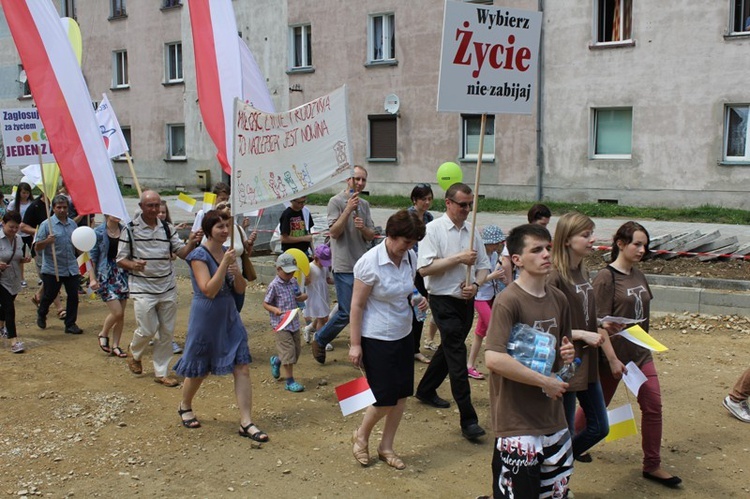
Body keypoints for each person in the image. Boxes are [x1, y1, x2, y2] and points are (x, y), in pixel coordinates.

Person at [581, 221, 682, 488]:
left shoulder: (638, 274)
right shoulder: (606, 278)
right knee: (596, 409)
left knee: (653, 407)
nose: (642, 249)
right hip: (611, 357)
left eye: (645, 245)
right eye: (637, 244)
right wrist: (612, 358)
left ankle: (652, 465)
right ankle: (570, 444)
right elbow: (597, 322)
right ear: (620, 244)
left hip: (640, 355)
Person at [484, 223, 575, 499]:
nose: (546, 254)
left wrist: (567, 358)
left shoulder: (559, 299)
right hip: (517, 422)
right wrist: (543, 381)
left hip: (554, 421)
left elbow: (564, 367)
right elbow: (493, 358)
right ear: (517, 259)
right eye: (536, 250)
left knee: (554, 495)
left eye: (547, 248)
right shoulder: (507, 301)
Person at [172, 210, 268, 442]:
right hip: (206, 316)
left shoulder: (229, 253)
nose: (225, 231)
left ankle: (246, 421)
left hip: (229, 314)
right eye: (219, 227)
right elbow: (208, 289)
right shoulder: (198, 255)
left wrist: (236, 273)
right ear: (208, 230)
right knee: (200, 367)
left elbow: (241, 289)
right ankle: (185, 405)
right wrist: (225, 264)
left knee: (242, 365)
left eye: (227, 226)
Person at [349, 209, 426, 470]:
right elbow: (356, 306)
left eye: (413, 243)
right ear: (391, 235)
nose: (409, 248)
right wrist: (355, 343)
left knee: (402, 394)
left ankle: (386, 446)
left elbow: (409, 288)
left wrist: (418, 298)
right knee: (383, 397)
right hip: (376, 336)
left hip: (404, 332)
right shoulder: (369, 262)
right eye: (406, 242)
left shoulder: (410, 257)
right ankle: (361, 435)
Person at [414, 182, 490, 441]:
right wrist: (458, 258)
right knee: (458, 353)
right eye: (462, 205)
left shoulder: (472, 231)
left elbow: (483, 266)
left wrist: (476, 284)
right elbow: (424, 270)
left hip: (465, 301)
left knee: (450, 347)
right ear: (448, 203)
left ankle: (425, 389)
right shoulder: (432, 230)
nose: (467, 209)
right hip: (442, 300)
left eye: (470, 205)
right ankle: (468, 419)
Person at [548, 212, 625, 466]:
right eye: (586, 235)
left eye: (591, 234)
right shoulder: (554, 275)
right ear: (567, 239)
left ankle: (557, 468)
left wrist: (602, 324)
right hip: (567, 365)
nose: (592, 240)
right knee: (566, 430)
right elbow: (548, 325)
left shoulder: (581, 270)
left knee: (600, 427)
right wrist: (581, 334)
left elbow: (584, 313)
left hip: (588, 363)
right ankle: (557, 480)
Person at [117, 190, 199, 387]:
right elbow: (120, 259)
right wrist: (133, 264)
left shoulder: (167, 228)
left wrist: (192, 242)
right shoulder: (130, 230)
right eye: (149, 206)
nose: (154, 210)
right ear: (141, 206)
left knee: (166, 332)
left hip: (167, 286)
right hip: (142, 287)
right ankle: (135, 352)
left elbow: (181, 253)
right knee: (147, 329)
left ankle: (161, 372)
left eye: (157, 206)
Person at [311, 165, 376, 364]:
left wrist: (363, 228)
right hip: (344, 264)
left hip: (362, 264)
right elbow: (334, 233)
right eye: (356, 179)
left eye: (363, 180)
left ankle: (364, 352)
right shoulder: (335, 202)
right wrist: (347, 209)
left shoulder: (364, 205)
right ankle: (320, 338)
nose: (360, 183)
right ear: (348, 180)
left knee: (365, 310)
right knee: (346, 311)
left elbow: (371, 235)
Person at [33, 195, 84, 335]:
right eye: (59, 207)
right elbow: (37, 247)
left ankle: (70, 324)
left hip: (71, 267)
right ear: (53, 208)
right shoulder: (46, 225)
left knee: (73, 295)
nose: (62, 210)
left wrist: (84, 253)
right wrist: (47, 242)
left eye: (65, 207)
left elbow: (77, 244)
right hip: (53, 268)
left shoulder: (73, 225)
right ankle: (42, 312)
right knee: (50, 294)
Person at [466, 225, 507, 380]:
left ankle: (469, 365)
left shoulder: (494, 256)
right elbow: (475, 281)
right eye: (495, 242)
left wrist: (499, 277)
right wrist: (493, 276)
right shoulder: (478, 257)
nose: (497, 245)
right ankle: (500, 364)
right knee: (493, 328)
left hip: (490, 296)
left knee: (480, 333)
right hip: (479, 297)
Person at [264, 253, 307, 393]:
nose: (290, 274)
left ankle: (277, 360)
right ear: (278, 269)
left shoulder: (294, 282)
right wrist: (274, 309)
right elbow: (266, 303)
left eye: (292, 271)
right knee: (288, 351)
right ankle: (289, 381)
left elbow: (298, 297)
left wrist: (303, 297)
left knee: (295, 351)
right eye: (287, 272)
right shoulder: (274, 285)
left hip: (293, 321)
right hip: (281, 323)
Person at [89, 215, 130, 358]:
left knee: (121, 314)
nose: (117, 215)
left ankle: (116, 345)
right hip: (105, 274)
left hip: (122, 274)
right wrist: (92, 278)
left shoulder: (126, 230)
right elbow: (91, 257)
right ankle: (103, 333)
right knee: (117, 312)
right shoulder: (98, 232)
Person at [408, 183, 435, 364]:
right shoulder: (406, 217)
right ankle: (406, 347)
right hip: (408, 266)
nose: (426, 202)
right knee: (407, 308)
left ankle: (415, 348)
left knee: (421, 308)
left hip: (424, 268)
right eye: (423, 199)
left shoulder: (429, 217)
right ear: (414, 200)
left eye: (429, 199)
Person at [0, 211, 32, 353]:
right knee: (9, 307)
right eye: (10, 227)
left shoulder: (18, 239)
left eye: (16, 227)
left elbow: (17, 256)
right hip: (1, 279)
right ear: (3, 224)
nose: (13, 230)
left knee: (5, 306)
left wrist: (23, 260)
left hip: (13, 278)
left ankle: (1, 326)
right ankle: (14, 340)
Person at [303, 244, 333, 344]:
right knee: (322, 318)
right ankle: (320, 339)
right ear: (315, 258)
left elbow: (328, 280)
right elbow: (305, 283)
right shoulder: (310, 267)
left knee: (324, 317)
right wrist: (306, 280)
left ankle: (309, 328)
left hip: (323, 294)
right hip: (314, 296)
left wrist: (339, 281)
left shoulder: (324, 268)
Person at [9, 182, 33, 287]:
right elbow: (8, 217)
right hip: (18, 234)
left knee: (35, 254)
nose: (25, 195)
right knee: (20, 256)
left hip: (30, 232)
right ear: (19, 193)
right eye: (23, 192)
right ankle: (21, 277)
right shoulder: (13, 204)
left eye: (27, 193)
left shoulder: (32, 203)